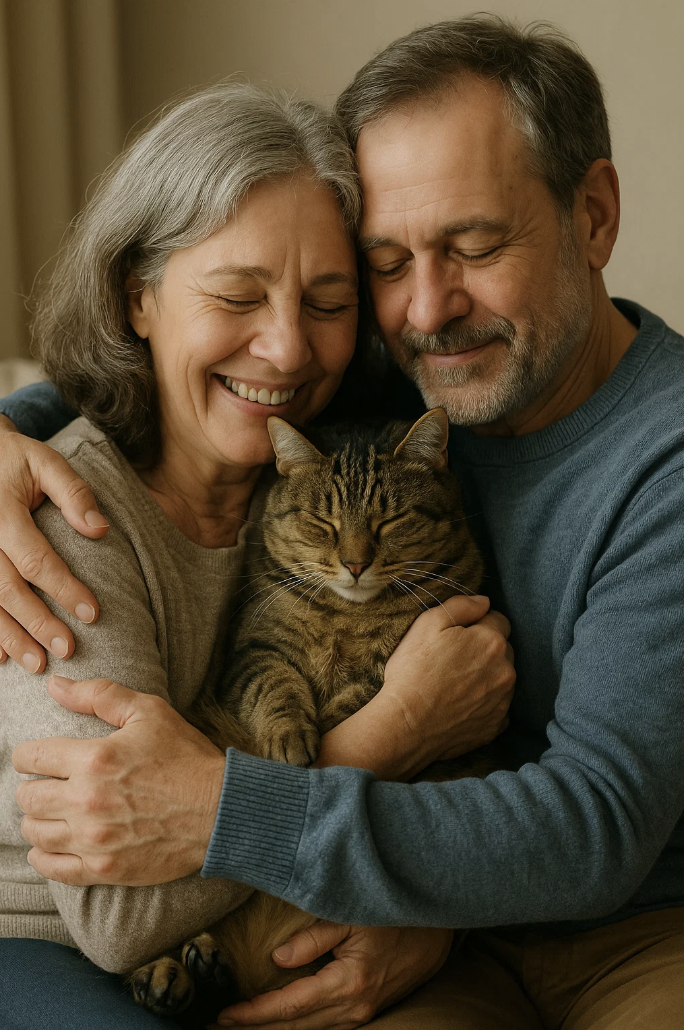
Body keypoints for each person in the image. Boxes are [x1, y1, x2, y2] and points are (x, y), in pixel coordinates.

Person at [2, 14, 683, 1030]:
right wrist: (13, 430)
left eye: (476, 243)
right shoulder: (402, 363)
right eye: (388, 262)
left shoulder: (656, 456)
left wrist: (234, 812)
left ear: (592, 216)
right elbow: (193, 378)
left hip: (627, 924)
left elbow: (594, 829)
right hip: (398, 905)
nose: (425, 307)